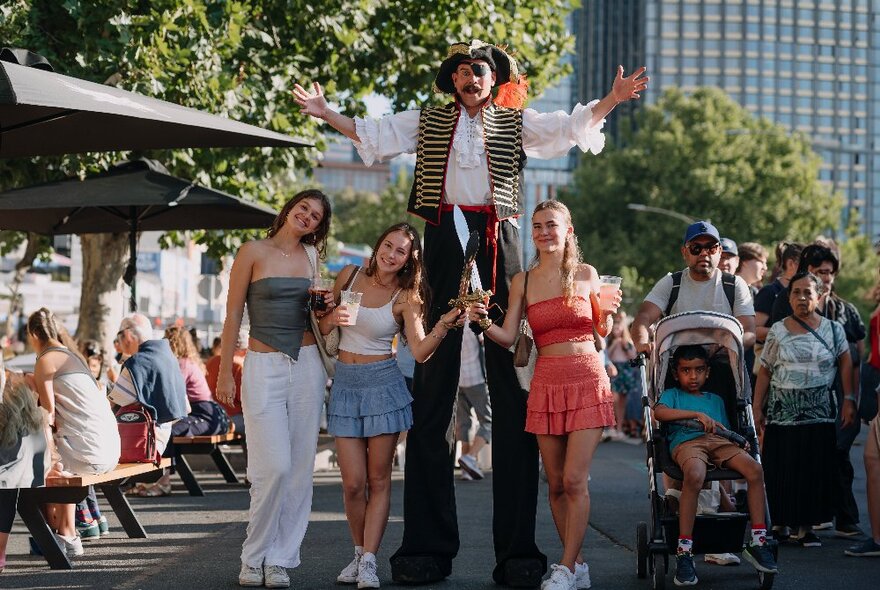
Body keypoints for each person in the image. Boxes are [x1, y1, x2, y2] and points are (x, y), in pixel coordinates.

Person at [295, 39, 648, 586]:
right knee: (431, 393)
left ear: (492, 78)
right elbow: (375, 134)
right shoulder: (428, 120)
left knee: (510, 394)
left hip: (499, 237)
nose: (470, 78)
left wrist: (611, 100)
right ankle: (426, 549)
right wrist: (325, 113)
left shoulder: (515, 121)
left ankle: (518, 554)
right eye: (462, 72)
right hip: (439, 239)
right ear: (453, 81)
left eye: (479, 71)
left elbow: (565, 128)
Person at [469, 200, 620, 590]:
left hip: (587, 379)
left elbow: (601, 332)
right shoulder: (522, 279)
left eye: (551, 225)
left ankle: (566, 567)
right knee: (553, 483)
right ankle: (579, 564)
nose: (542, 232)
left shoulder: (587, 274)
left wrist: (609, 315)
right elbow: (506, 336)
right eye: (536, 226)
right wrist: (482, 319)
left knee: (573, 480)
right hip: (546, 383)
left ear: (568, 230)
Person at [319, 223, 465, 589]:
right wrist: (330, 318)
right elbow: (322, 329)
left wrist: (444, 324)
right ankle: (357, 552)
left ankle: (369, 560)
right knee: (353, 484)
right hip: (346, 387)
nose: (391, 254)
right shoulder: (349, 276)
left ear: (408, 259)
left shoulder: (406, 296)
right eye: (388, 245)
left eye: (400, 251)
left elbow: (418, 351)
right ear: (378, 244)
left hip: (383, 386)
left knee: (378, 479)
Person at [214, 189, 333, 589]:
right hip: (262, 364)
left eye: (316, 216)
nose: (308, 217)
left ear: (319, 226)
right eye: (304, 208)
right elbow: (232, 314)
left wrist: (329, 310)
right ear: (289, 209)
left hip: (308, 365)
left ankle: (280, 558)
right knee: (273, 467)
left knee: (299, 469)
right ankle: (254, 555)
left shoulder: (313, 258)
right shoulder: (252, 251)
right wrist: (225, 372)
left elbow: (318, 318)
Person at [631, 220, 755, 567]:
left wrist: (723, 341)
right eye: (696, 248)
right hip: (679, 365)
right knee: (681, 445)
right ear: (686, 251)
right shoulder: (671, 283)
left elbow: (748, 330)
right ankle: (677, 502)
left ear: (720, 251)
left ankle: (718, 523)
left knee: (725, 444)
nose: (704, 254)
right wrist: (643, 339)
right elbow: (644, 316)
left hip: (722, 370)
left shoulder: (733, 285)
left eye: (711, 247)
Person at [654, 345, 778, 586]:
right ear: (676, 373)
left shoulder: (716, 399)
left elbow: (722, 429)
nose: (693, 376)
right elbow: (659, 413)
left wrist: (737, 441)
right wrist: (695, 415)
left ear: (707, 373)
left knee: (755, 470)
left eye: (699, 370)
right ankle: (684, 550)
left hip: (719, 442)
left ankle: (758, 541)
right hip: (687, 442)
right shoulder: (672, 395)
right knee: (695, 474)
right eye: (686, 370)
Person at [767, 243, 866, 537]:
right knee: (794, 461)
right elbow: (770, 359)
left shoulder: (845, 311)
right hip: (788, 404)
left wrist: (852, 398)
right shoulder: (786, 305)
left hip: (833, 399)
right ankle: (789, 519)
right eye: (819, 271)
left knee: (836, 457)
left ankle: (843, 517)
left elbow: (855, 356)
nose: (826, 276)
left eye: (829, 272)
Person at [753, 271, 857, 547]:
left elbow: (846, 362)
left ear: (819, 296)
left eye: (807, 292)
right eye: (796, 292)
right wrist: (756, 406)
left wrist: (850, 399)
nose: (801, 297)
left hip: (819, 413)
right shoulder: (777, 330)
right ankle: (780, 522)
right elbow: (765, 371)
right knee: (781, 466)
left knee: (814, 468)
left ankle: (807, 526)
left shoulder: (833, 330)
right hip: (781, 412)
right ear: (788, 297)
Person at [26, 308, 120, 558]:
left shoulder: (45, 360)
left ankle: (56, 531)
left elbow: (47, 415)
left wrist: (28, 385)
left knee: (45, 462)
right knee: (60, 458)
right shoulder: (74, 357)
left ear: (35, 333)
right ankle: (68, 533)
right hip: (110, 449)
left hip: (88, 453)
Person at [132, 326, 230, 497]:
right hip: (209, 414)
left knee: (165, 431)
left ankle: (163, 483)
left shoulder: (181, 364)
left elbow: (175, 396)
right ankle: (155, 479)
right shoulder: (188, 361)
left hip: (203, 414)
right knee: (165, 429)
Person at [107, 313, 188, 458]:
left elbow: (112, 403)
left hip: (142, 441)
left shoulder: (137, 363)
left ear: (127, 335)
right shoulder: (167, 355)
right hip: (161, 436)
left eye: (119, 335)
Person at [1, 358, 51, 572]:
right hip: (33, 478)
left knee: (5, 491)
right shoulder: (38, 418)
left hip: (10, 480)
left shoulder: (4, 415)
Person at [455, 328, 492, 480]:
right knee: (488, 421)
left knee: (463, 423)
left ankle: (466, 470)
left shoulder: (455, 320)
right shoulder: (474, 321)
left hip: (458, 379)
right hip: (476, 378)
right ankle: (470, 457)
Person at [606, 311, 641, 442]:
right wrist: (615, 344)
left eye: (619, 328)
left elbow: (633, 356)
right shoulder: (610, 342)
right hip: (614, 368)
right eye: (615, 328)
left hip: (625, 369)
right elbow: (606, 356)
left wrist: (625, 346)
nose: (617, 330)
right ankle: (611, 427)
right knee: (613, 399)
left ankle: (619, 428)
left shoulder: (627, 341)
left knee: (622, 401)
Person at [206, 331, 248, 436]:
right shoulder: (239, 365)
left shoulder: (211, 362)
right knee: (258, 424)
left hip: (213, 415)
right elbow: (246, 401)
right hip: (232, 417)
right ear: (244, 350)